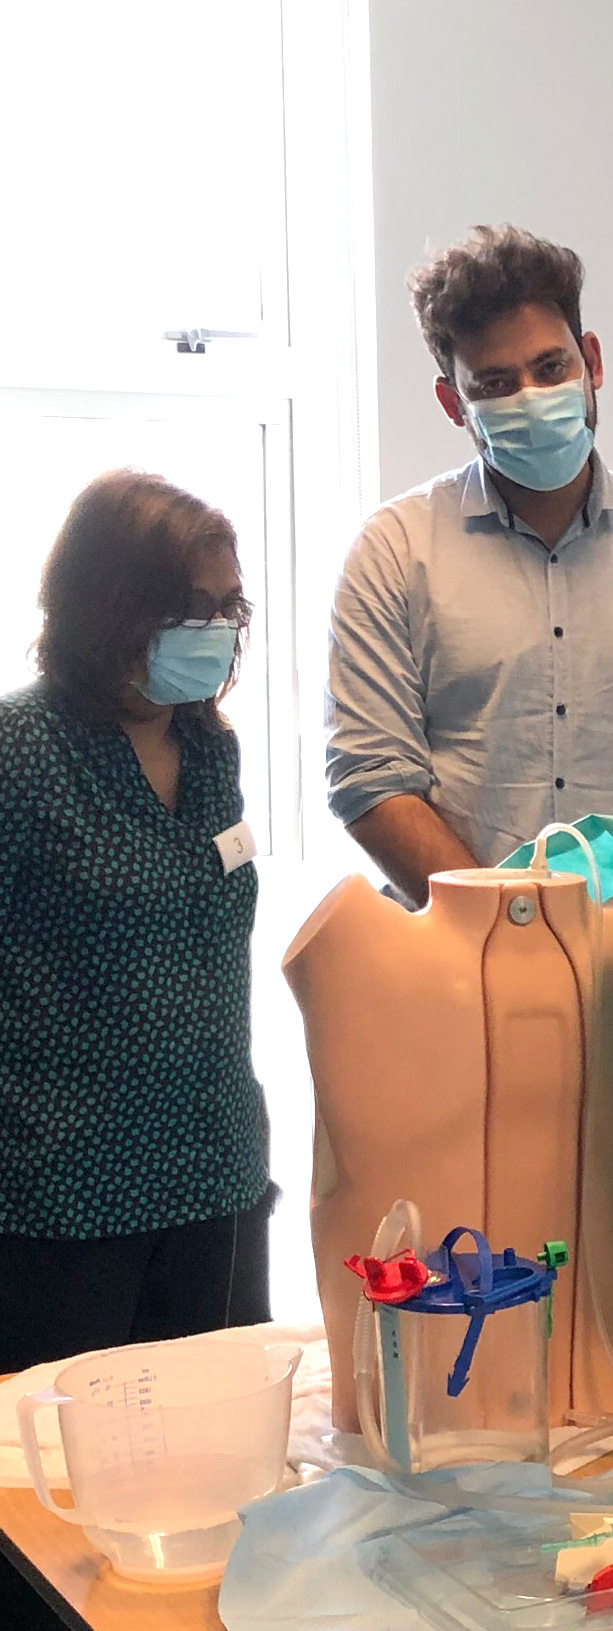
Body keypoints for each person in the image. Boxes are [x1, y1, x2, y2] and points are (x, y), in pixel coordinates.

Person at [326, 225, 613, 902]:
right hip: (453, 970)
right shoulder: (393, 553)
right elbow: (370, 777)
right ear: (453, 403)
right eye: (496, 383)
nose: (530, 395)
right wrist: (502, 932)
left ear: (591, 360)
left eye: (551, 367)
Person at [0, 471, 272, 1372]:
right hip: (65, 1204)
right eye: (193, 606)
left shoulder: (210, 747)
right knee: (58, 1499)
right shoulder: (20, 753)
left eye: (229, 605)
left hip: (218, 1179)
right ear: (108, 605)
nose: (217, 630)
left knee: (222, 1484)